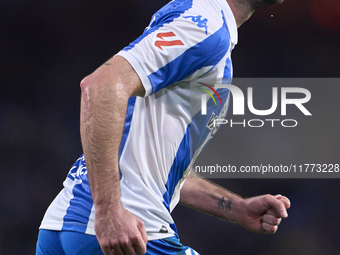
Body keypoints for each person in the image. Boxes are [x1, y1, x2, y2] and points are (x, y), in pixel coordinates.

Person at [36, 0, 290, 254]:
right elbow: (101, 85)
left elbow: (157, 165)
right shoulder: (206, 26)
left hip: (66, 225)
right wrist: (108, 210)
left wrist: (237, 208)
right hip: (121, 228)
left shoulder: (207, 28)